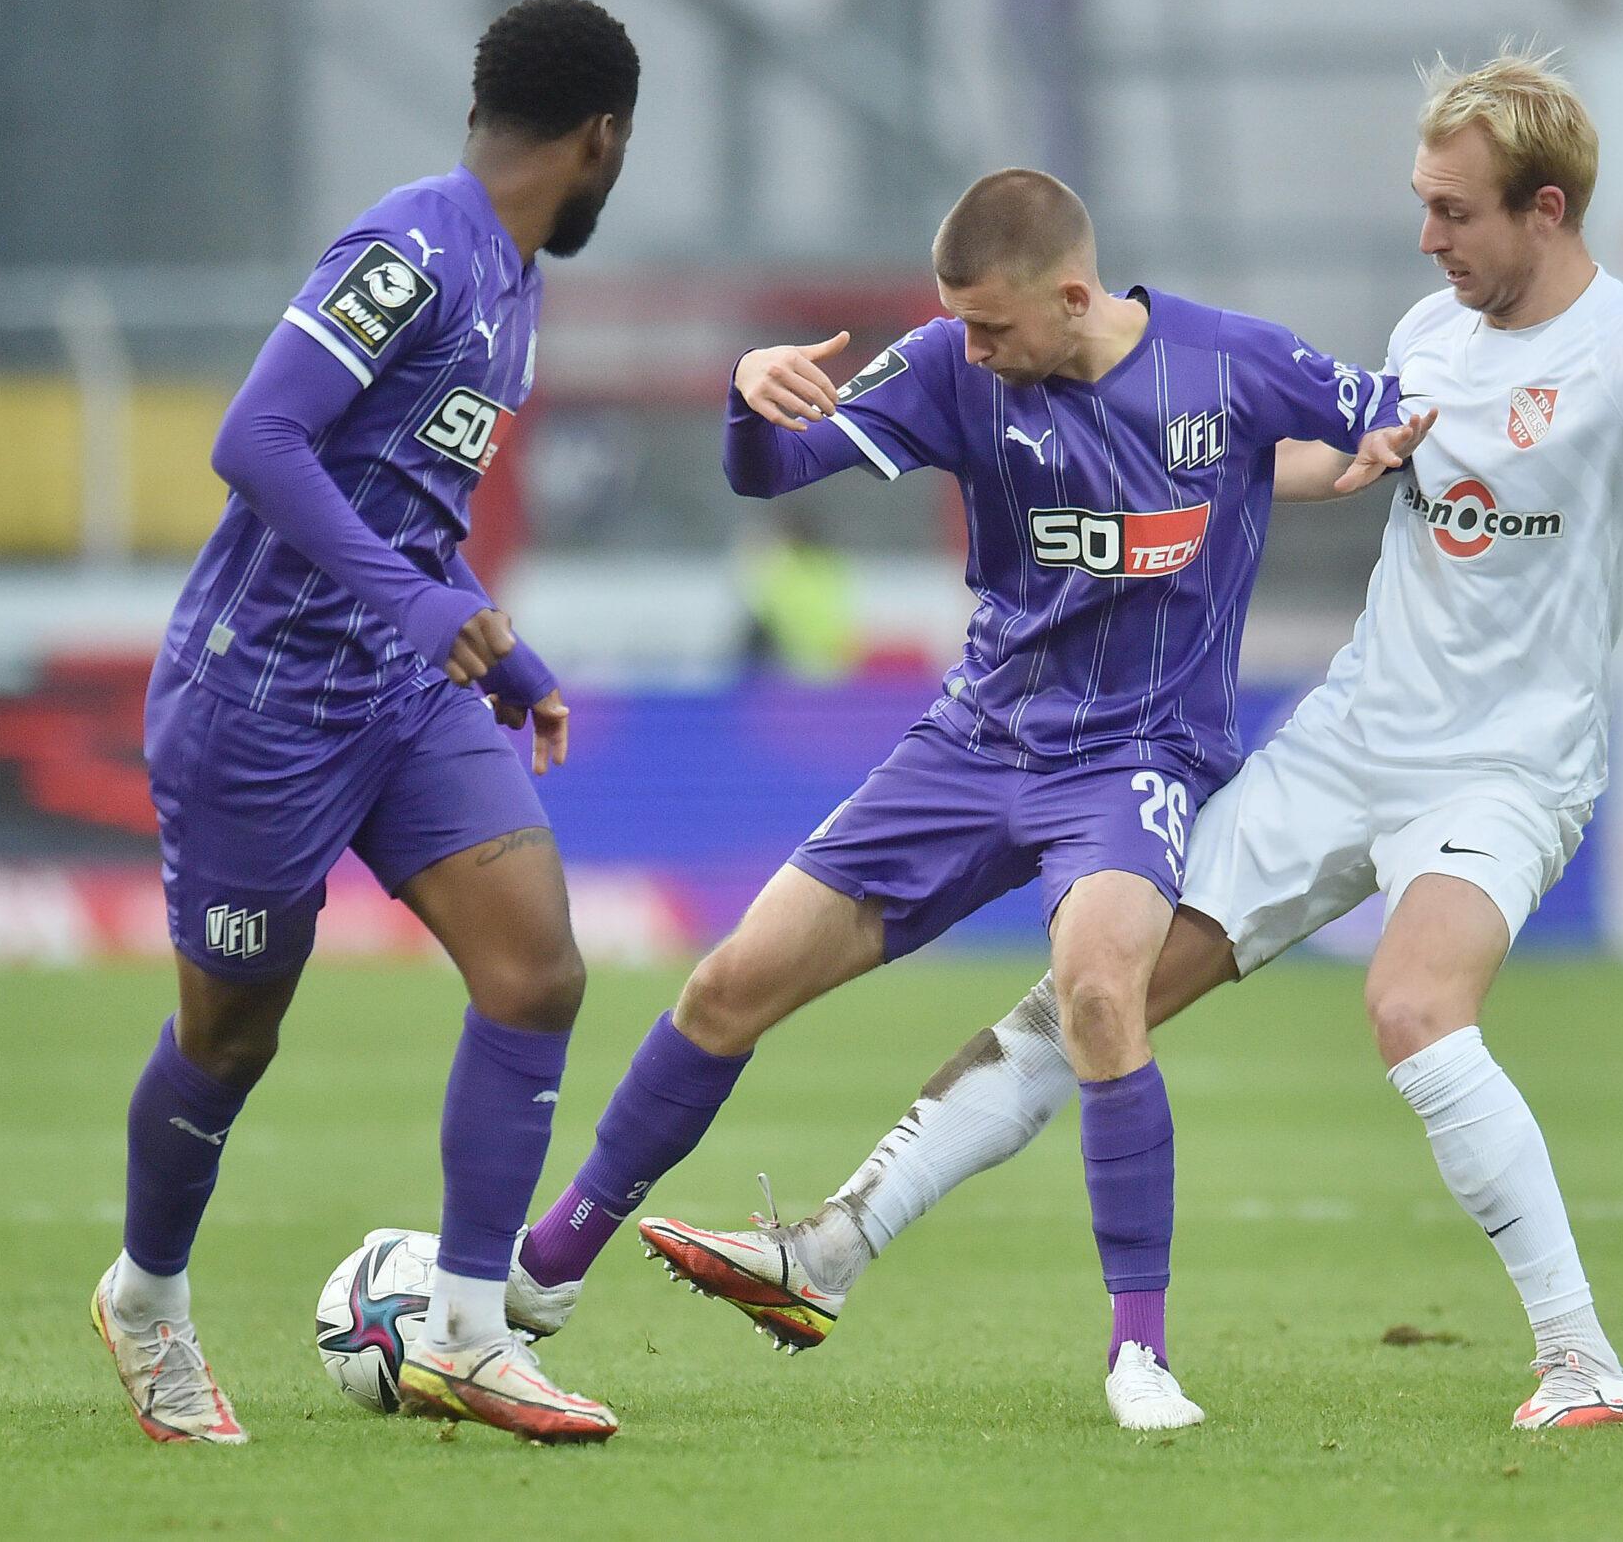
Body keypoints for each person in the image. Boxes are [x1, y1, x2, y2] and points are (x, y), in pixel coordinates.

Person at [619, 54, 1623, 1431]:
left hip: (1504, 769)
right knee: (1092, 995)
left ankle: (1582, 1359)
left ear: (1545, 208)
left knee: (1413, 1008)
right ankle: (831, 1247)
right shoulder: (1429, 331)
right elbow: (1304, 454)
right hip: (1348, 739)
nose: (1428, 236)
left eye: (1454, 211)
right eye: (1423, 204)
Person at [503, 167, 1432, 1432]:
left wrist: (1388, 445)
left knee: (1098, 993)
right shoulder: (951, 364)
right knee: (727, 985)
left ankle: (1140, 1356)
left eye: (993, 325)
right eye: (960, 324)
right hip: (972, 744)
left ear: (1073, 296)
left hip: (1134, 758)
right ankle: (549, 1265)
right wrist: (746, 394)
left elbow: (1398, 412)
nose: (973, 347)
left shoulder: (1227, 361)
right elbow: (770, 471)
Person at [92, 0, 636, 1445]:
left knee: (535, 970)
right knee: (231, 1036)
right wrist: (413, 605)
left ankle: (465, 1332)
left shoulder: (514, 284)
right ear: (602, 138)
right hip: (258, 700)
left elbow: (406, 507)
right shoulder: (414, 249)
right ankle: (146, 1299)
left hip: (399, 695)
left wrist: (494, 640)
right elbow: (257, 436)